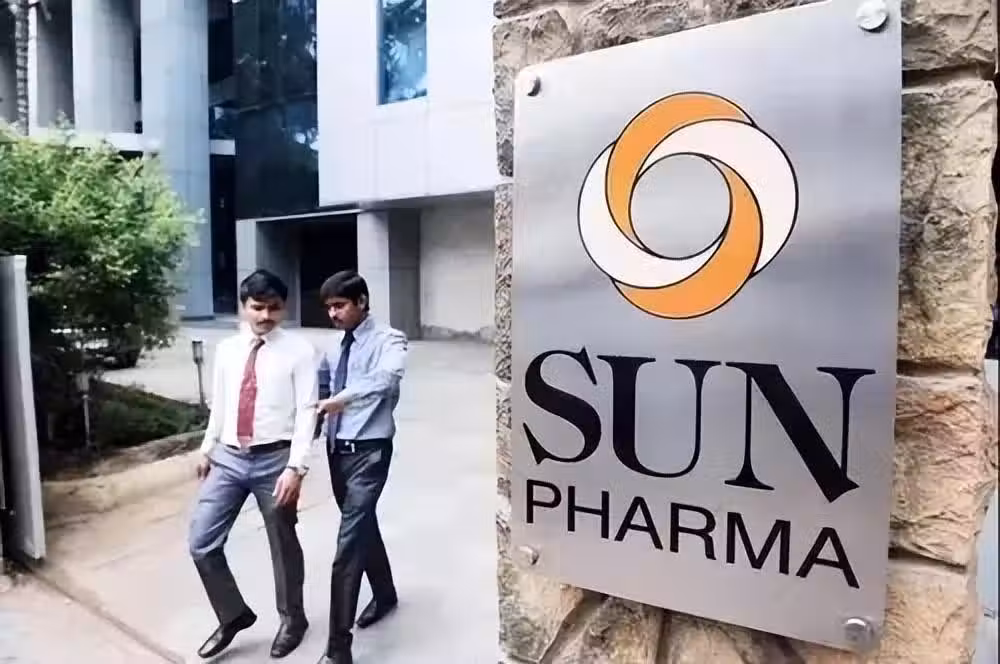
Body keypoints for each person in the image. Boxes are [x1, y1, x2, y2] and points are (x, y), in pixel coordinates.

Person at [189, 269, 319, 660]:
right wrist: (207, 447)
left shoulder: (300, 351)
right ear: (243, 306)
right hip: (229, 457)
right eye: (257, 307)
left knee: (283, 543)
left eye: (274, 308)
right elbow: (221, 402)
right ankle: (233, 614)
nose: (265, 316)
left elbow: (307, 411)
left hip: (275, 460)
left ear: (284, 308)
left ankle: (293, 619)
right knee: (201, 542)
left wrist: (296, 467)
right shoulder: (228, 349)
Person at [313, 270, 407, 664]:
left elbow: (386, 379)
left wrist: (345, 398)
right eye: (329, 307)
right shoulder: (333, 346)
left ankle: (338, 647)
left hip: (370, 452)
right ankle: (384, 594)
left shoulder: (390, 340)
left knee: (348, 545)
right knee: (362, 525)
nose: (333, 314)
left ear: (362, 301)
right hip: (337, 450)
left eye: (340, 305)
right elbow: (320, 388)